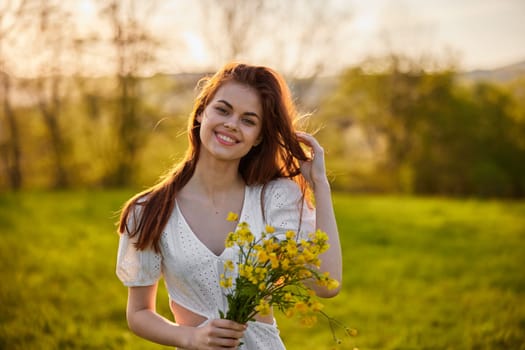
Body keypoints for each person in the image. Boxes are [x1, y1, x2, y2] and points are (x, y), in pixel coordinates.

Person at [116, 62, 343, 350]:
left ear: (259, 136)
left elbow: (327, 285)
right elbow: (138, 313)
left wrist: (320, 186)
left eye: (248, 120)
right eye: (223, 110)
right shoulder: (148, 211)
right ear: (201, 112)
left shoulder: (274, 198)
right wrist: (191, 337)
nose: (232, 124)